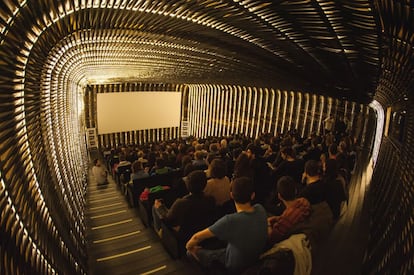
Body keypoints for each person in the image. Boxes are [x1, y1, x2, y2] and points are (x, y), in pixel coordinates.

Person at [186, 177, 268, 274]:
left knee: (190, 252)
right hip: (254, 259)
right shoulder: (260, 209)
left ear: (231, 195)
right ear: (253, 195)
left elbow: (196, 238)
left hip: (233, 265)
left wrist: (188, 246)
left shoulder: (230, 221)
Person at [152, 170, 216, 243]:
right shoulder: (211, 199)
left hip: (185, 234)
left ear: (188, 185)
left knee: (155, 207)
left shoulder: (181, 203)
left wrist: (159, 207)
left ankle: (160, 233)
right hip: (202, 229)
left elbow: (167, 219)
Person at [267, 176, 311, 245]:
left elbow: (272, 238)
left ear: (279, 196)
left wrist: (268, 224)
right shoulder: (304, 201)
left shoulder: (285, 221)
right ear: (295, 190)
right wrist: (277, 218)